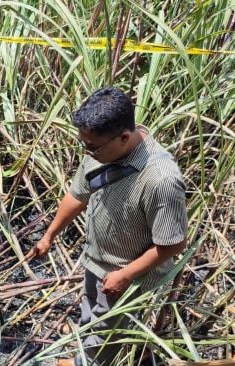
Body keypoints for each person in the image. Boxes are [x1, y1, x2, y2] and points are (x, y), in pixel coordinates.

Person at [26, 87, 187, 366]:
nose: (87, 152)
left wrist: (125, 275)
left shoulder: (161, 180)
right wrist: (49, 236)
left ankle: (88, 362)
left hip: (129, 277)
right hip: (96, 260)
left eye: (92, 147)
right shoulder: (99, 147)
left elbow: (172, 244)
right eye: (84, 144)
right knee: (91, 315)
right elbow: (78, 193)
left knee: (107, 336)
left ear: (124, 137)